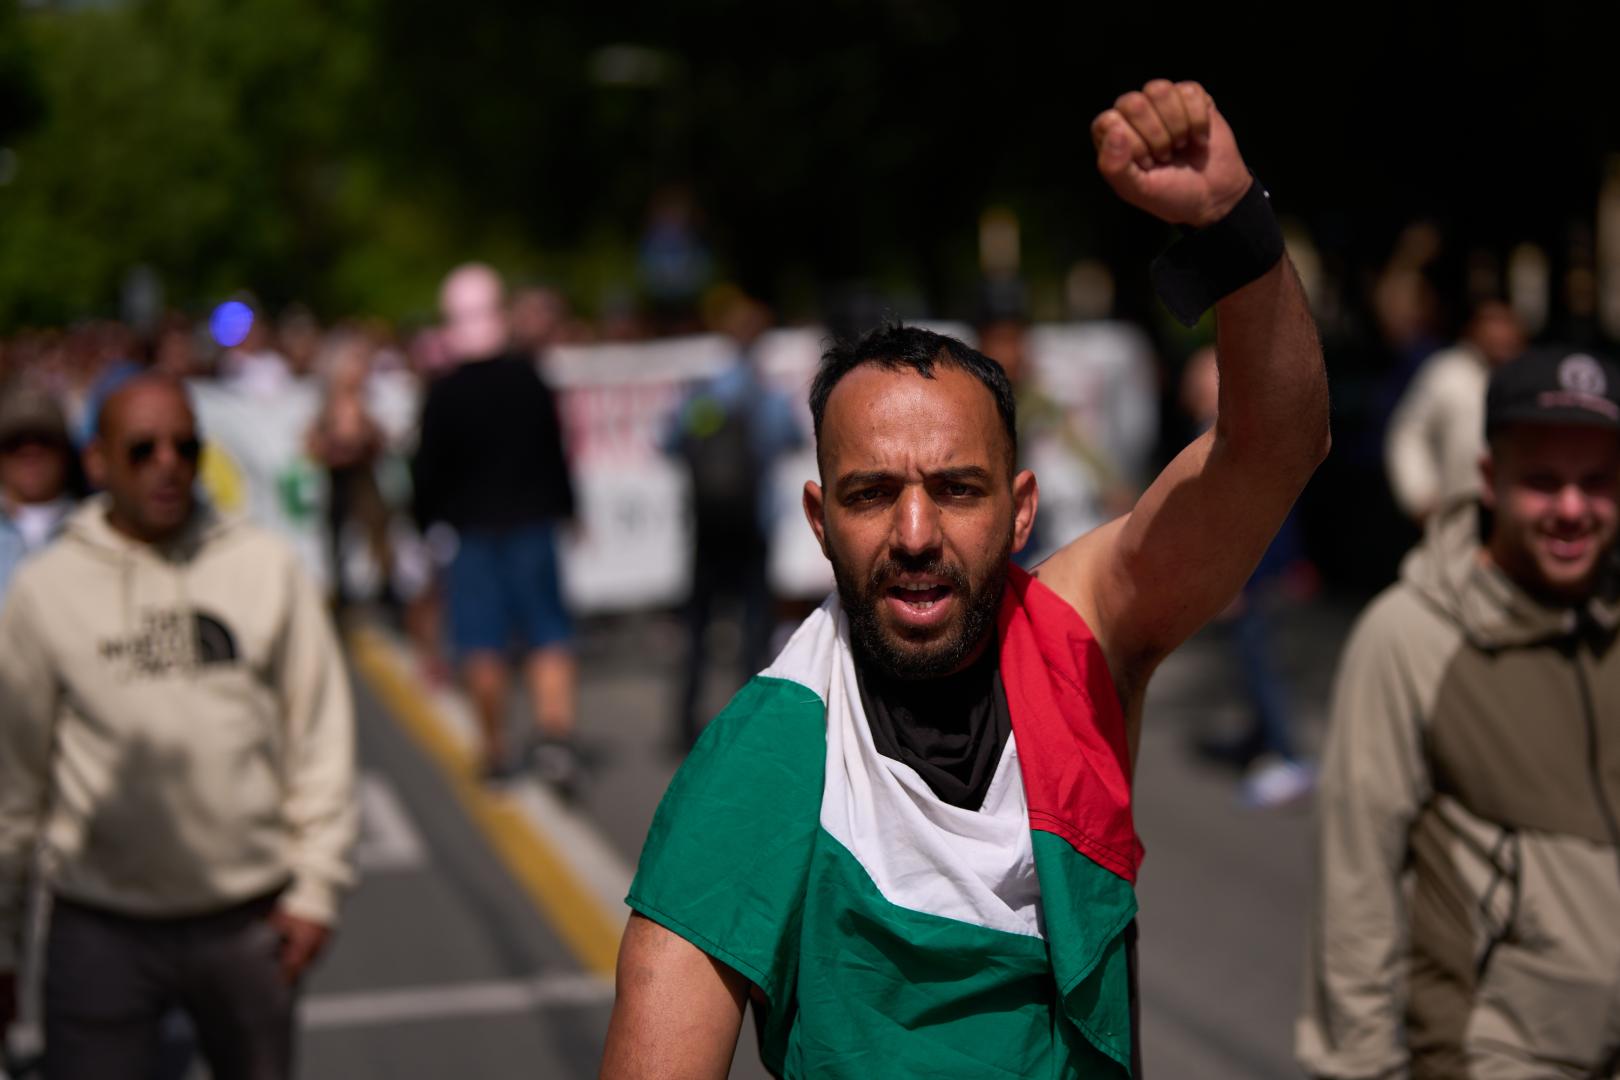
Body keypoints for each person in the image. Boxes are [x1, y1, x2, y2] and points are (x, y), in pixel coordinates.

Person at [602, 78, 1329, 1078]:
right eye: (869, 495)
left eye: (955, 489)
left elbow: (1276, 447)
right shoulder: (756, 768)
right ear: (819, 522)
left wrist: (1230, 224)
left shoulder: (1085, 637)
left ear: (1021, 511)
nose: (914, 533)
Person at [0, 376, 358, 1080]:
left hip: (247, 921)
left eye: (185, 447)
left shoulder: (265, 567)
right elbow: (13, 782)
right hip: (100, 926)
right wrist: (2, 944)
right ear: (97, 462)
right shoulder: (46, 591)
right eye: (142, 450)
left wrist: (316, 889)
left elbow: (320, 737)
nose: (167, 464)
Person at [1299, 347, 1620, 1078]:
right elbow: (1357, 888)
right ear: (1488, 480)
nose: (1572, 508)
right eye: (1543, 481)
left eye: (1596, 482)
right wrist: (1360, 1067)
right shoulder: (1408, 637)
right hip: (1491, 1058)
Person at [411, 263, 580, 786]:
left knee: (481, 644)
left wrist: (425, 524)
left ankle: (495, 748)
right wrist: (569, 509)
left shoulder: (444, 393)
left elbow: (426, 473)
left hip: (473, 535)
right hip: (532, 526)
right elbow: (556, 455)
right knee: (547, 633)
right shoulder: (529, 378)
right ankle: (554, 736)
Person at [664, 291, 804, 749]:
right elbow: (794, 438)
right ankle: (748, 725)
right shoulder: (767, 395)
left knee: (700, 627)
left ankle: (686, 722)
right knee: (753, 629)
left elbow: (670, 440)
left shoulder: (705, 392)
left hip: (709, 525)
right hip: (753, 525)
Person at [1384, 298, 1527, 523]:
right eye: (1491, 322)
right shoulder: (1447, 372)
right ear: (1474, 327)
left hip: (1516, 513)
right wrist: (1419, 494)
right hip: (1453, 513)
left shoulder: (1529, 376)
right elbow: (1408, 433)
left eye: (1506, 323)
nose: (1500, 333)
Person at [0, 383, 79, 599]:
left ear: (65, 451)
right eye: (15, 443)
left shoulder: (96, 525)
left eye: (44, 440)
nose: (30, 451)